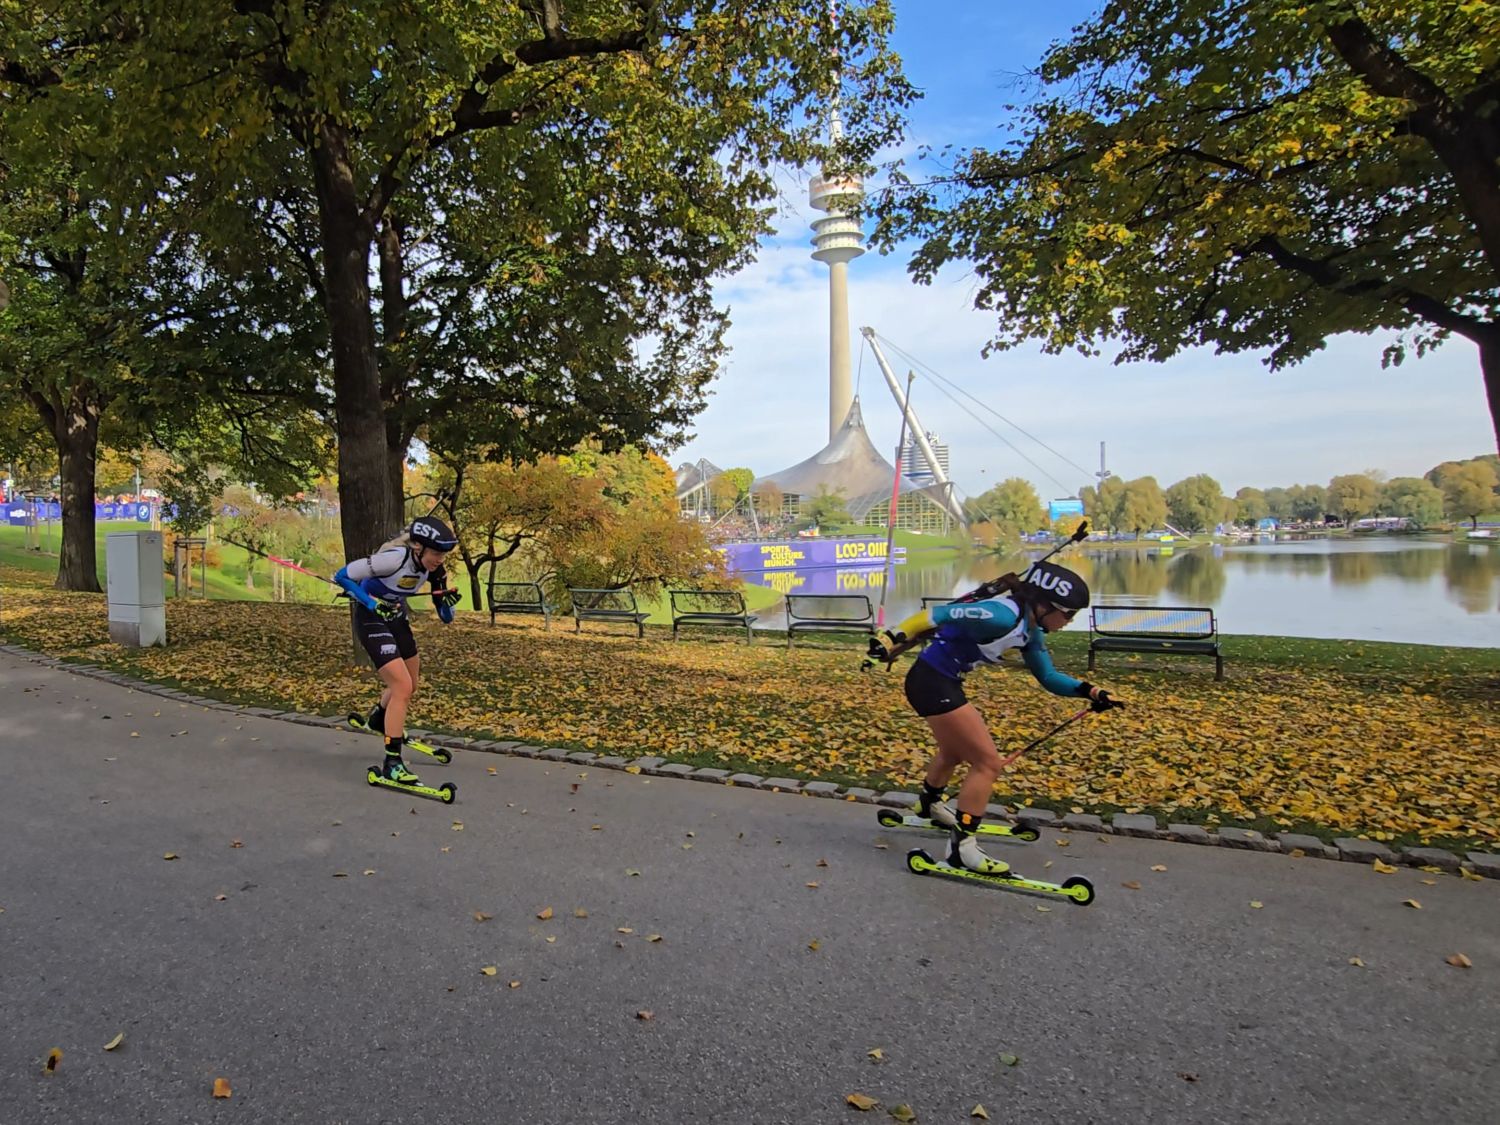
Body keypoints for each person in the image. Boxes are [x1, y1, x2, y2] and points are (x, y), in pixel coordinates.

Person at [867, 561, 1124, 875]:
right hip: (932, 681)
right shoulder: (1001, 615)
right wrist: (893, 636)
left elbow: (1049, 677)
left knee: (954, 752)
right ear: (1043, 605)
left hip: (940, 680)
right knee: (988, 764)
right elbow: (938, 614)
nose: (1069, 621)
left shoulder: (1030, 632)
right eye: (1068, 613)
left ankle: (929, 804)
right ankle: (961, 849)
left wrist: (1091, 691)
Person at [333, 517, 463, 784]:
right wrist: (370, 604)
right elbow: (342, 576)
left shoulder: (436, 571)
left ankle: (380, 718)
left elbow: (446, 617)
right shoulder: (393, 559)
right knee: (402, 687)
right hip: (371, 618)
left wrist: (448, 604)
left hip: (395, 617)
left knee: (410, 685)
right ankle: (392, 763)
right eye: (436, 553)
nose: (439, 559)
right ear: (419, 548)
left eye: (443, 554)